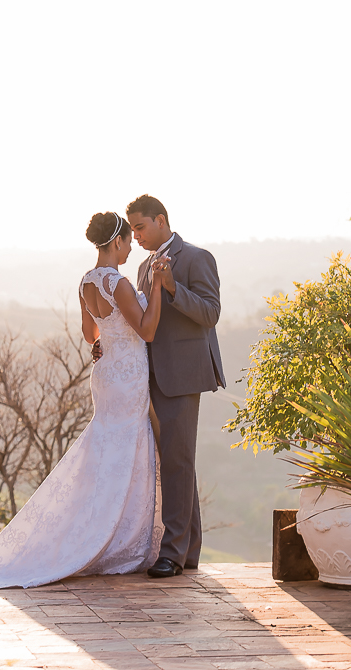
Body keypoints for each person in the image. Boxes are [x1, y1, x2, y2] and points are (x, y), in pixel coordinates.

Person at [0, 212, 167, 590]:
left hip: (106, 377)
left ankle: (101, 530)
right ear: (118, 241)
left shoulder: (86, 282)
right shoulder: (117, 281)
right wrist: (154, 284)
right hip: (128, 379)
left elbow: (91, 334)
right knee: (126, 449)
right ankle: (118, 540)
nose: (127, 250)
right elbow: (149, 329)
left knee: (105, 448)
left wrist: (107, 342)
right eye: (126, 242)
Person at [126, 195, 225, 578]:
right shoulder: (141, 266)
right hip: (149, 375)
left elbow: (210, 313)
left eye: (141, 227)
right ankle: (189, 552)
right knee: (177, 460)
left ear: (161, 220)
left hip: (184, 374)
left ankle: (171, 553)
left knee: (177, 461)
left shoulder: (197, 257)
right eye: (132, 229)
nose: (136, 236)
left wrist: (170, 288)